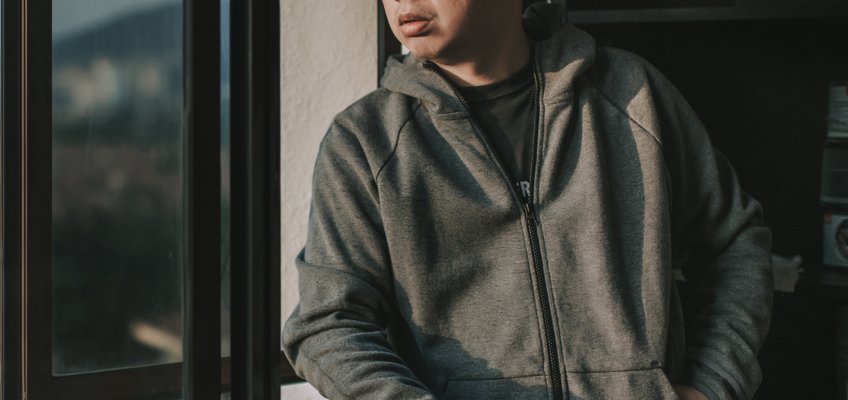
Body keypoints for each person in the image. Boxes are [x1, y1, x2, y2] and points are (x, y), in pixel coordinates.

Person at [280, 1, 774, 399]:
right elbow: (328, 322)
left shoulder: (631, 96)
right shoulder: (366, 141)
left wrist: (711, 385)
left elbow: (734, 242)